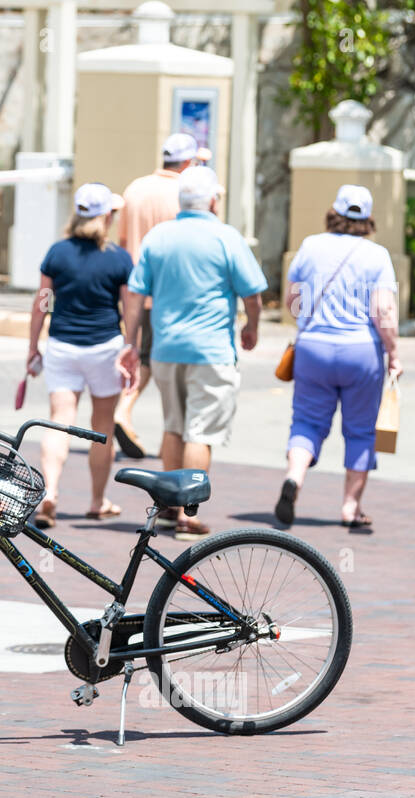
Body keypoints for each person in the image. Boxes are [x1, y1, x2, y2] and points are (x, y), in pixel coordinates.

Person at [117, 165, 267, 540]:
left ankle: (168, 508)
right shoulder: (226, 237)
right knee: (200, 432)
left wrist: (131, 342)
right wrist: (251, 326)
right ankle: (188, 515)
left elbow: (136, 293)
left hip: (167, 348)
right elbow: (252, 293)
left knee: (174, 427)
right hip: (211, 350)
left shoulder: (159, 237)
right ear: (213, 200)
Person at [275, 184, 400, 528]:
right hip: (361, 352)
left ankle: (294, 478)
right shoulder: (377, 256)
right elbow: (383, 311)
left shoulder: (311, 246)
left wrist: (312, 319)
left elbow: (293, 301)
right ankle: (350, 508)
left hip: (313, 348)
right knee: (360, 431)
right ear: (368, 219)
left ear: (334, 212)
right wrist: (394, 353)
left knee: (307, 422)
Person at [26, 182, 133, 528]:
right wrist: (133, 346)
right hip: (105, 347)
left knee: (59, 421)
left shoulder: (57, 253)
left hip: (62, 347)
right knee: (102, 426)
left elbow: (42, 302)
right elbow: (130, 308)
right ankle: (97, 501)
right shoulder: (118, 258)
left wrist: (33, 347)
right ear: (105, 217)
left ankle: (51, 493)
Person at [112, 133, 204, 458]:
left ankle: (123, 410)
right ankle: (123, 410)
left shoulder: (135, 188)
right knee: (150, 357)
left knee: (138, 351)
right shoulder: (183, 193)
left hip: (134, 288)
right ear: (188, 162)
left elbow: (124, 241)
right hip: (167, 291)